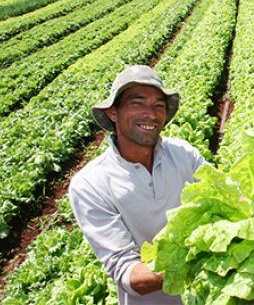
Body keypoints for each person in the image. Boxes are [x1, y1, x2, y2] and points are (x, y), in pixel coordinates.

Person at [69, 65, 205, 305]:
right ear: (113, 112)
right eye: (137, 103)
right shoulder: (90, 184)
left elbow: (227, 201)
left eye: (158, 106)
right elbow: (129, 274)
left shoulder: (185, 154)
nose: (150, 114)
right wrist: (202, 259)